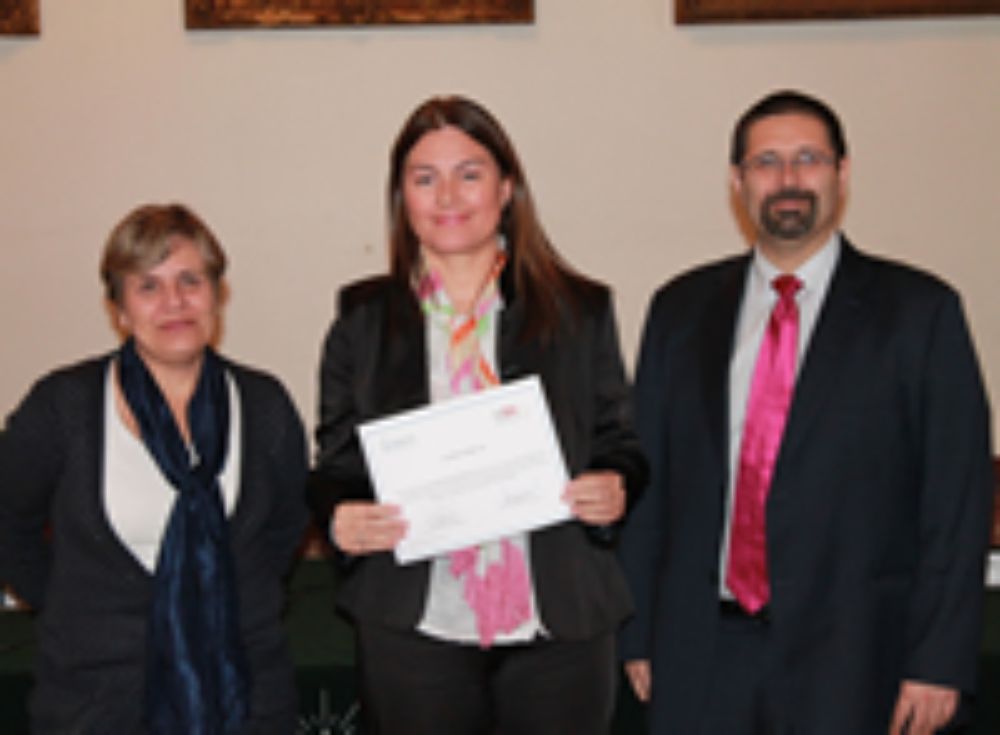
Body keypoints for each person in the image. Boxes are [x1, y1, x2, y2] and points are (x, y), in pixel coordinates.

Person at [618, 89, 994, 735]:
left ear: (842, 174)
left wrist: (940, 658)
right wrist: (638, 632)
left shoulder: (920, 313)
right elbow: (649, 486)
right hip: (703, 652)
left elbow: (956, 502)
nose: (788, 179)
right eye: (767, 162)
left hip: (855, 656)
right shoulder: (679, 311)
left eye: (808, 159)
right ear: (738, 181)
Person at [308, 95, 647, 734]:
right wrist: (340, 514)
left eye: (470, 174)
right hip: (416, 621)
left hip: (559, 615)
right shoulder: (363, 318)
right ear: (401, 198)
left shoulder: (580, 310)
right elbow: (338, 461)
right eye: (424, 178)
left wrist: (614, 482)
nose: (448, 196)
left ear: (507, 188)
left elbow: (618, 440)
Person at [0, 203, 308, 733]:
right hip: (94, 700)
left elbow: (284, 530)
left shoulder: (265, 404)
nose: (175, 302)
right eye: (148, 286)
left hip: (246, 697)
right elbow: (7, 523)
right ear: (119, 309)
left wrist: (228, 601)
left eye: (191, 279)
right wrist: (74, 607)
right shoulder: (63, 406)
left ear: (217, 294)